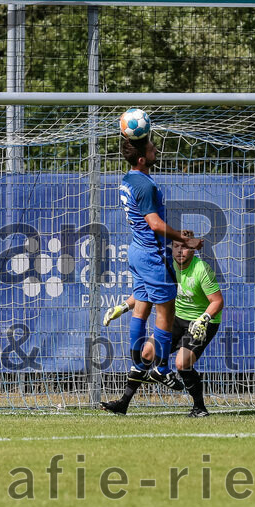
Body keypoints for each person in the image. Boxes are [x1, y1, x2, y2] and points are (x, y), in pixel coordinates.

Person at [100, 134, 203, 416]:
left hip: (136, 251)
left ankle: (137, 365)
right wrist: (183, 238)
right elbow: (155, 223)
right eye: (151, 147)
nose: (156, 148)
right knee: (166, 312)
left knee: (140, 310)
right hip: (152, 254)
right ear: (143, 158)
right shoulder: (144, 184)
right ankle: (161, 368)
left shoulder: (127, 179)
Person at [103, 230, 224, 417]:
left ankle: (200, 408)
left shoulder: (202, 270)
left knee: (182, 363)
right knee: (146, 353)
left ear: (193, 248)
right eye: (176, 246)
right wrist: (122, 307)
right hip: (177, 318)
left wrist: (203, 320)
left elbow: (217, 301)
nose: (180, 251)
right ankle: (123, 404)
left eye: (185, 246)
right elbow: (144, 291)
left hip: (202, 322)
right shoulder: (166, 266)